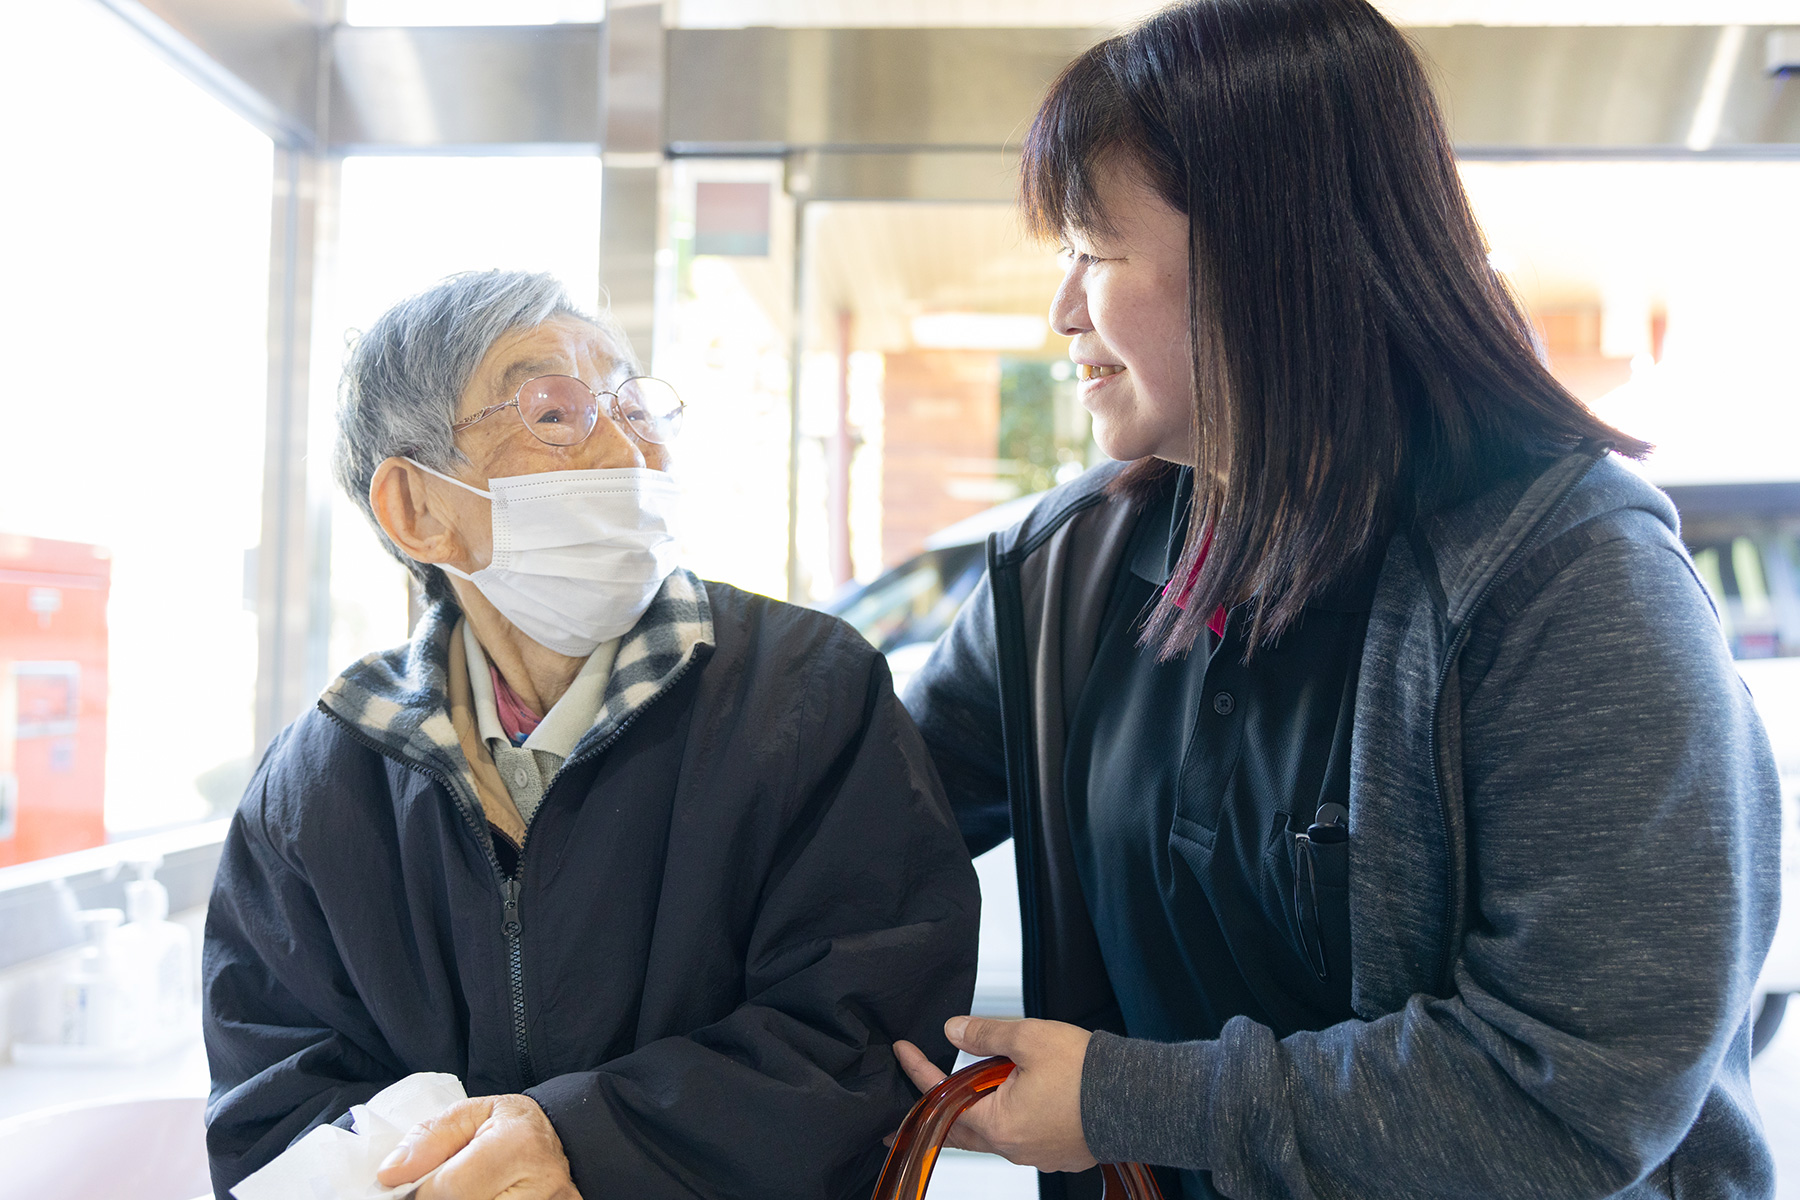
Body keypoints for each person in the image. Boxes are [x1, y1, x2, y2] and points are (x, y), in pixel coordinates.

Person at [895, 2, 1783, 1198]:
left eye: (1095, 253)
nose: (1062, 311)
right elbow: (850, 826)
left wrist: (1125, 1100)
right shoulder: (1068, 576)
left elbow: (1566, 1097)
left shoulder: (1570, 588)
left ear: (1268, 259)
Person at [201, 270, 979, 1200]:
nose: (627, 445)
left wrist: (581, 1145)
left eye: (632, 402)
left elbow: (869, 1037)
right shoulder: (322, 783)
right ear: (418, 509)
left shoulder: (809, 691)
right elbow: (269, 1107)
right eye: (557, 414)